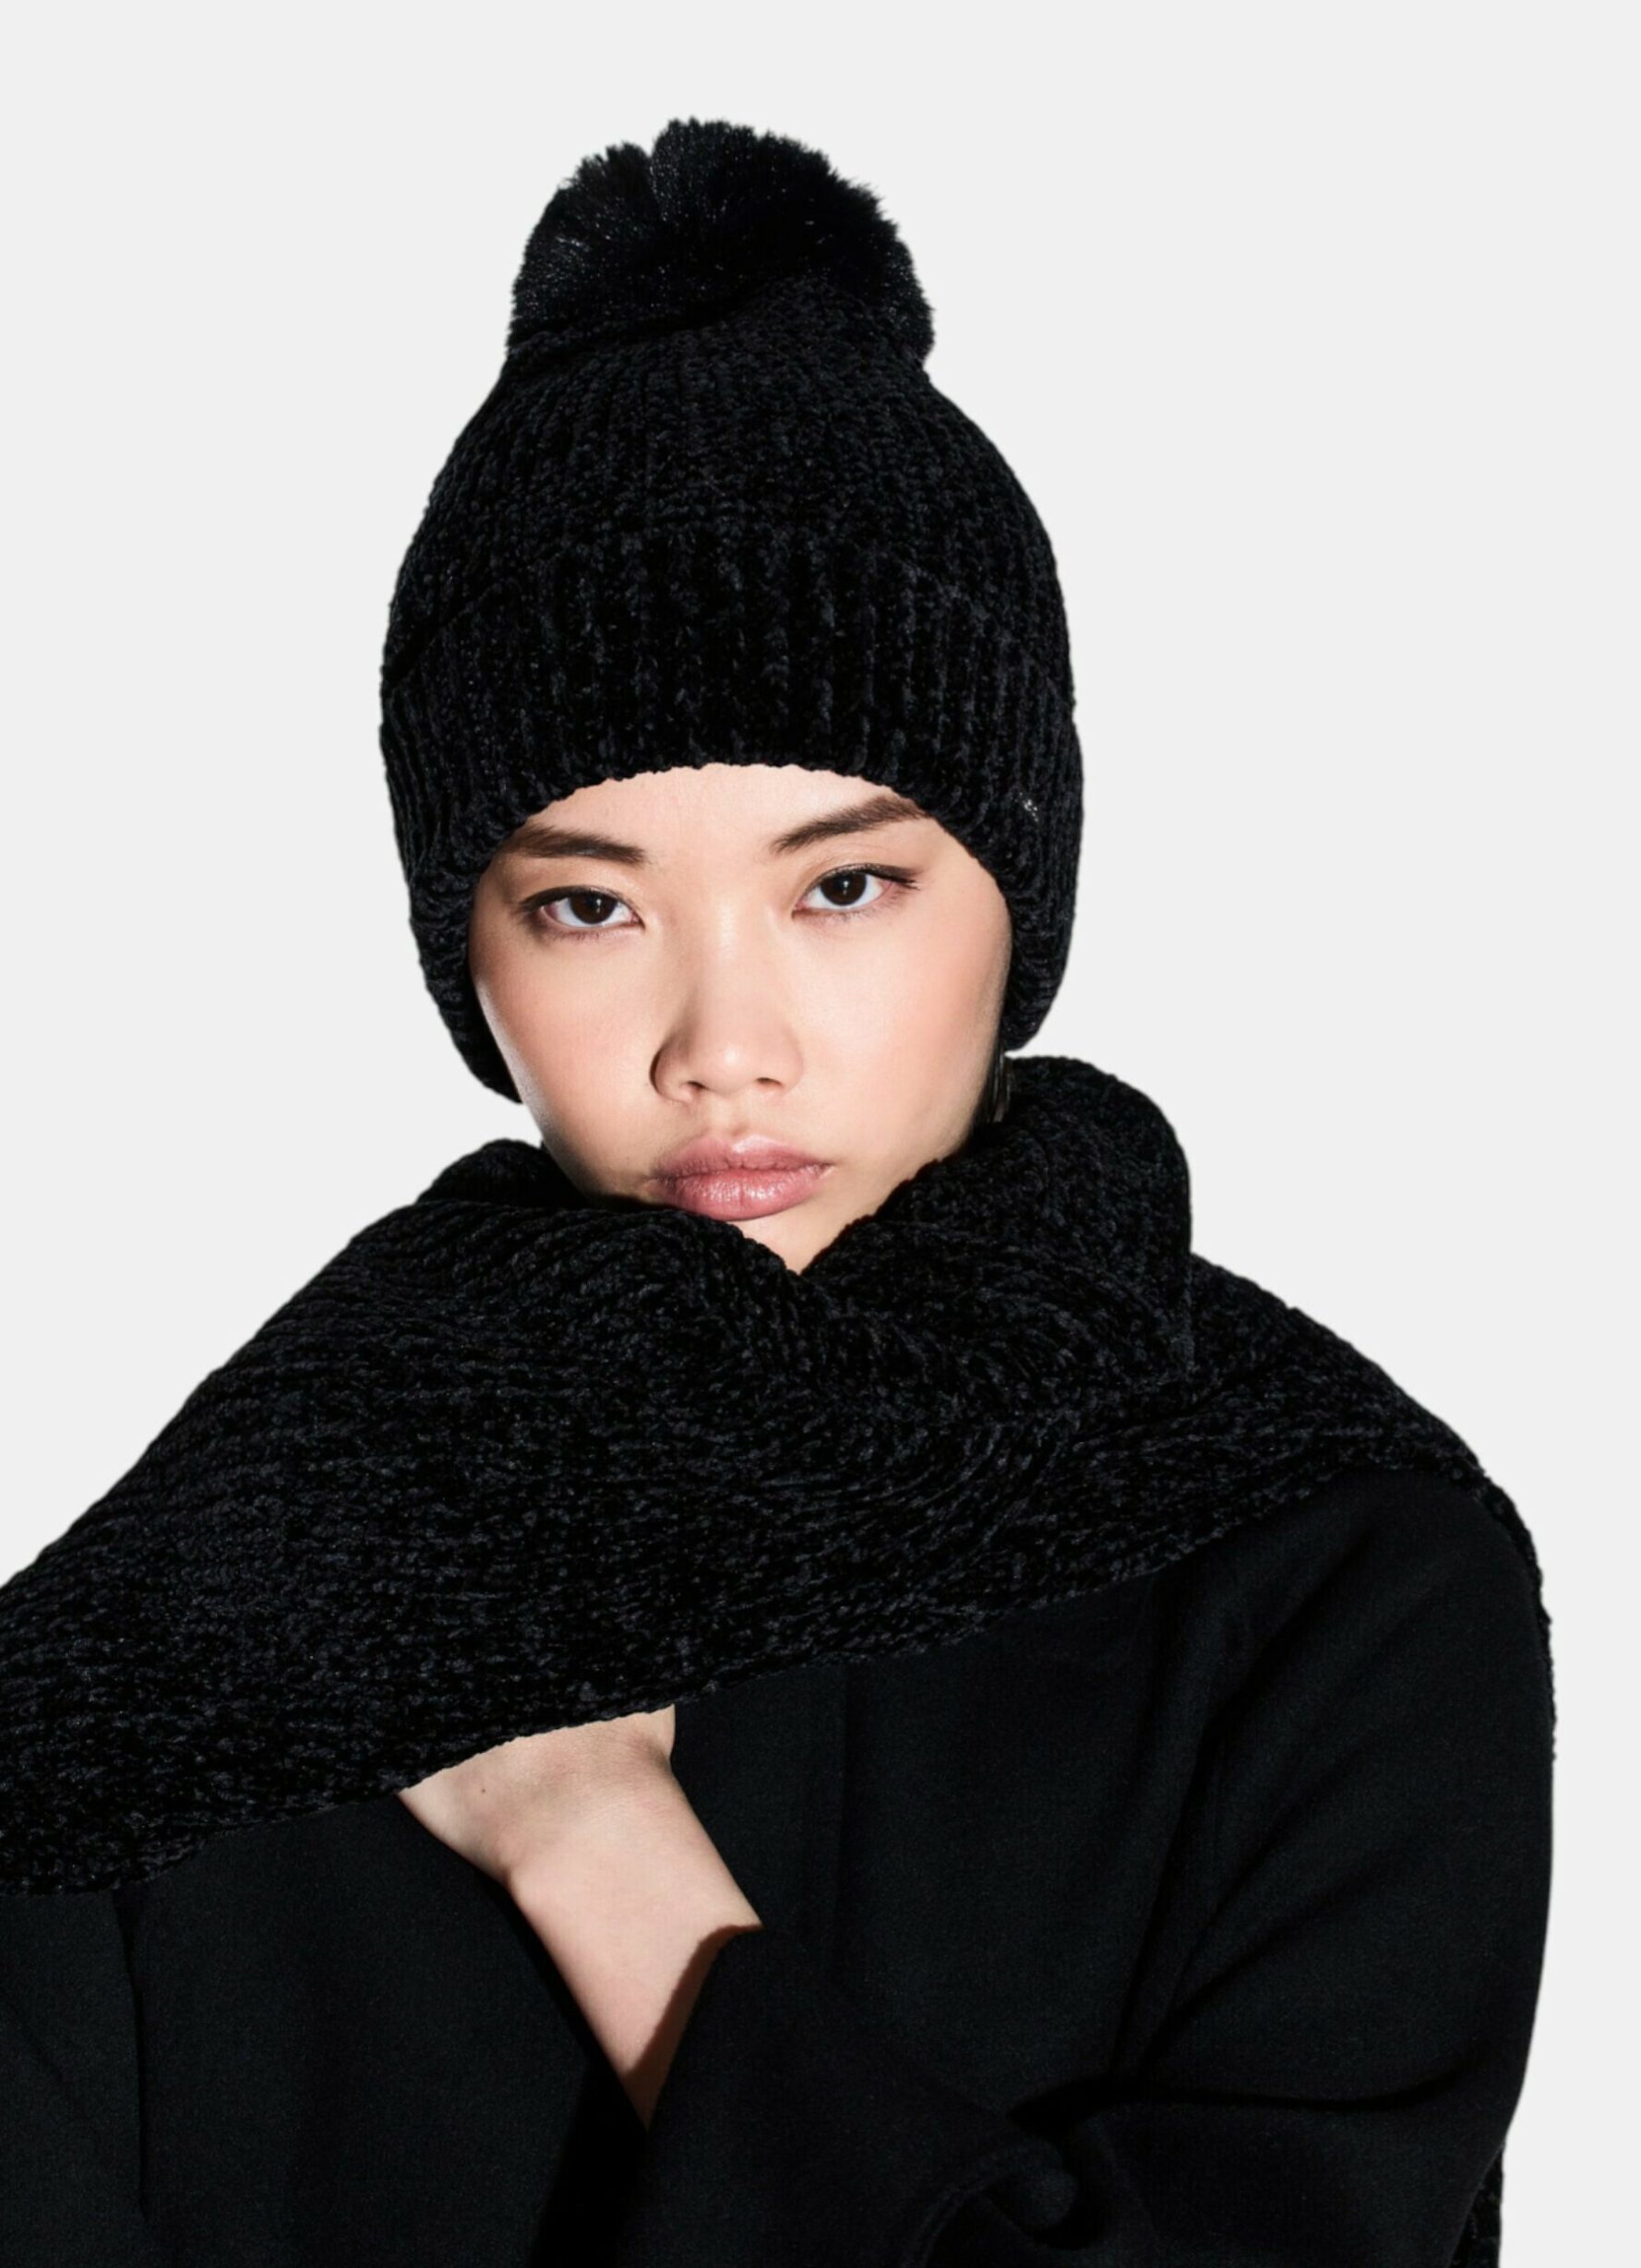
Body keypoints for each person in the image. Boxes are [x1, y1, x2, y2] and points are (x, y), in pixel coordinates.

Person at [0, 117, 1552, 2266]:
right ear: (470, 950)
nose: (721, 1041)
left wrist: (592, 1837)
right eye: (587, 902)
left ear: (1019, 889)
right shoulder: (219, 1603)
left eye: (842, 885)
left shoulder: (1332, 1570)